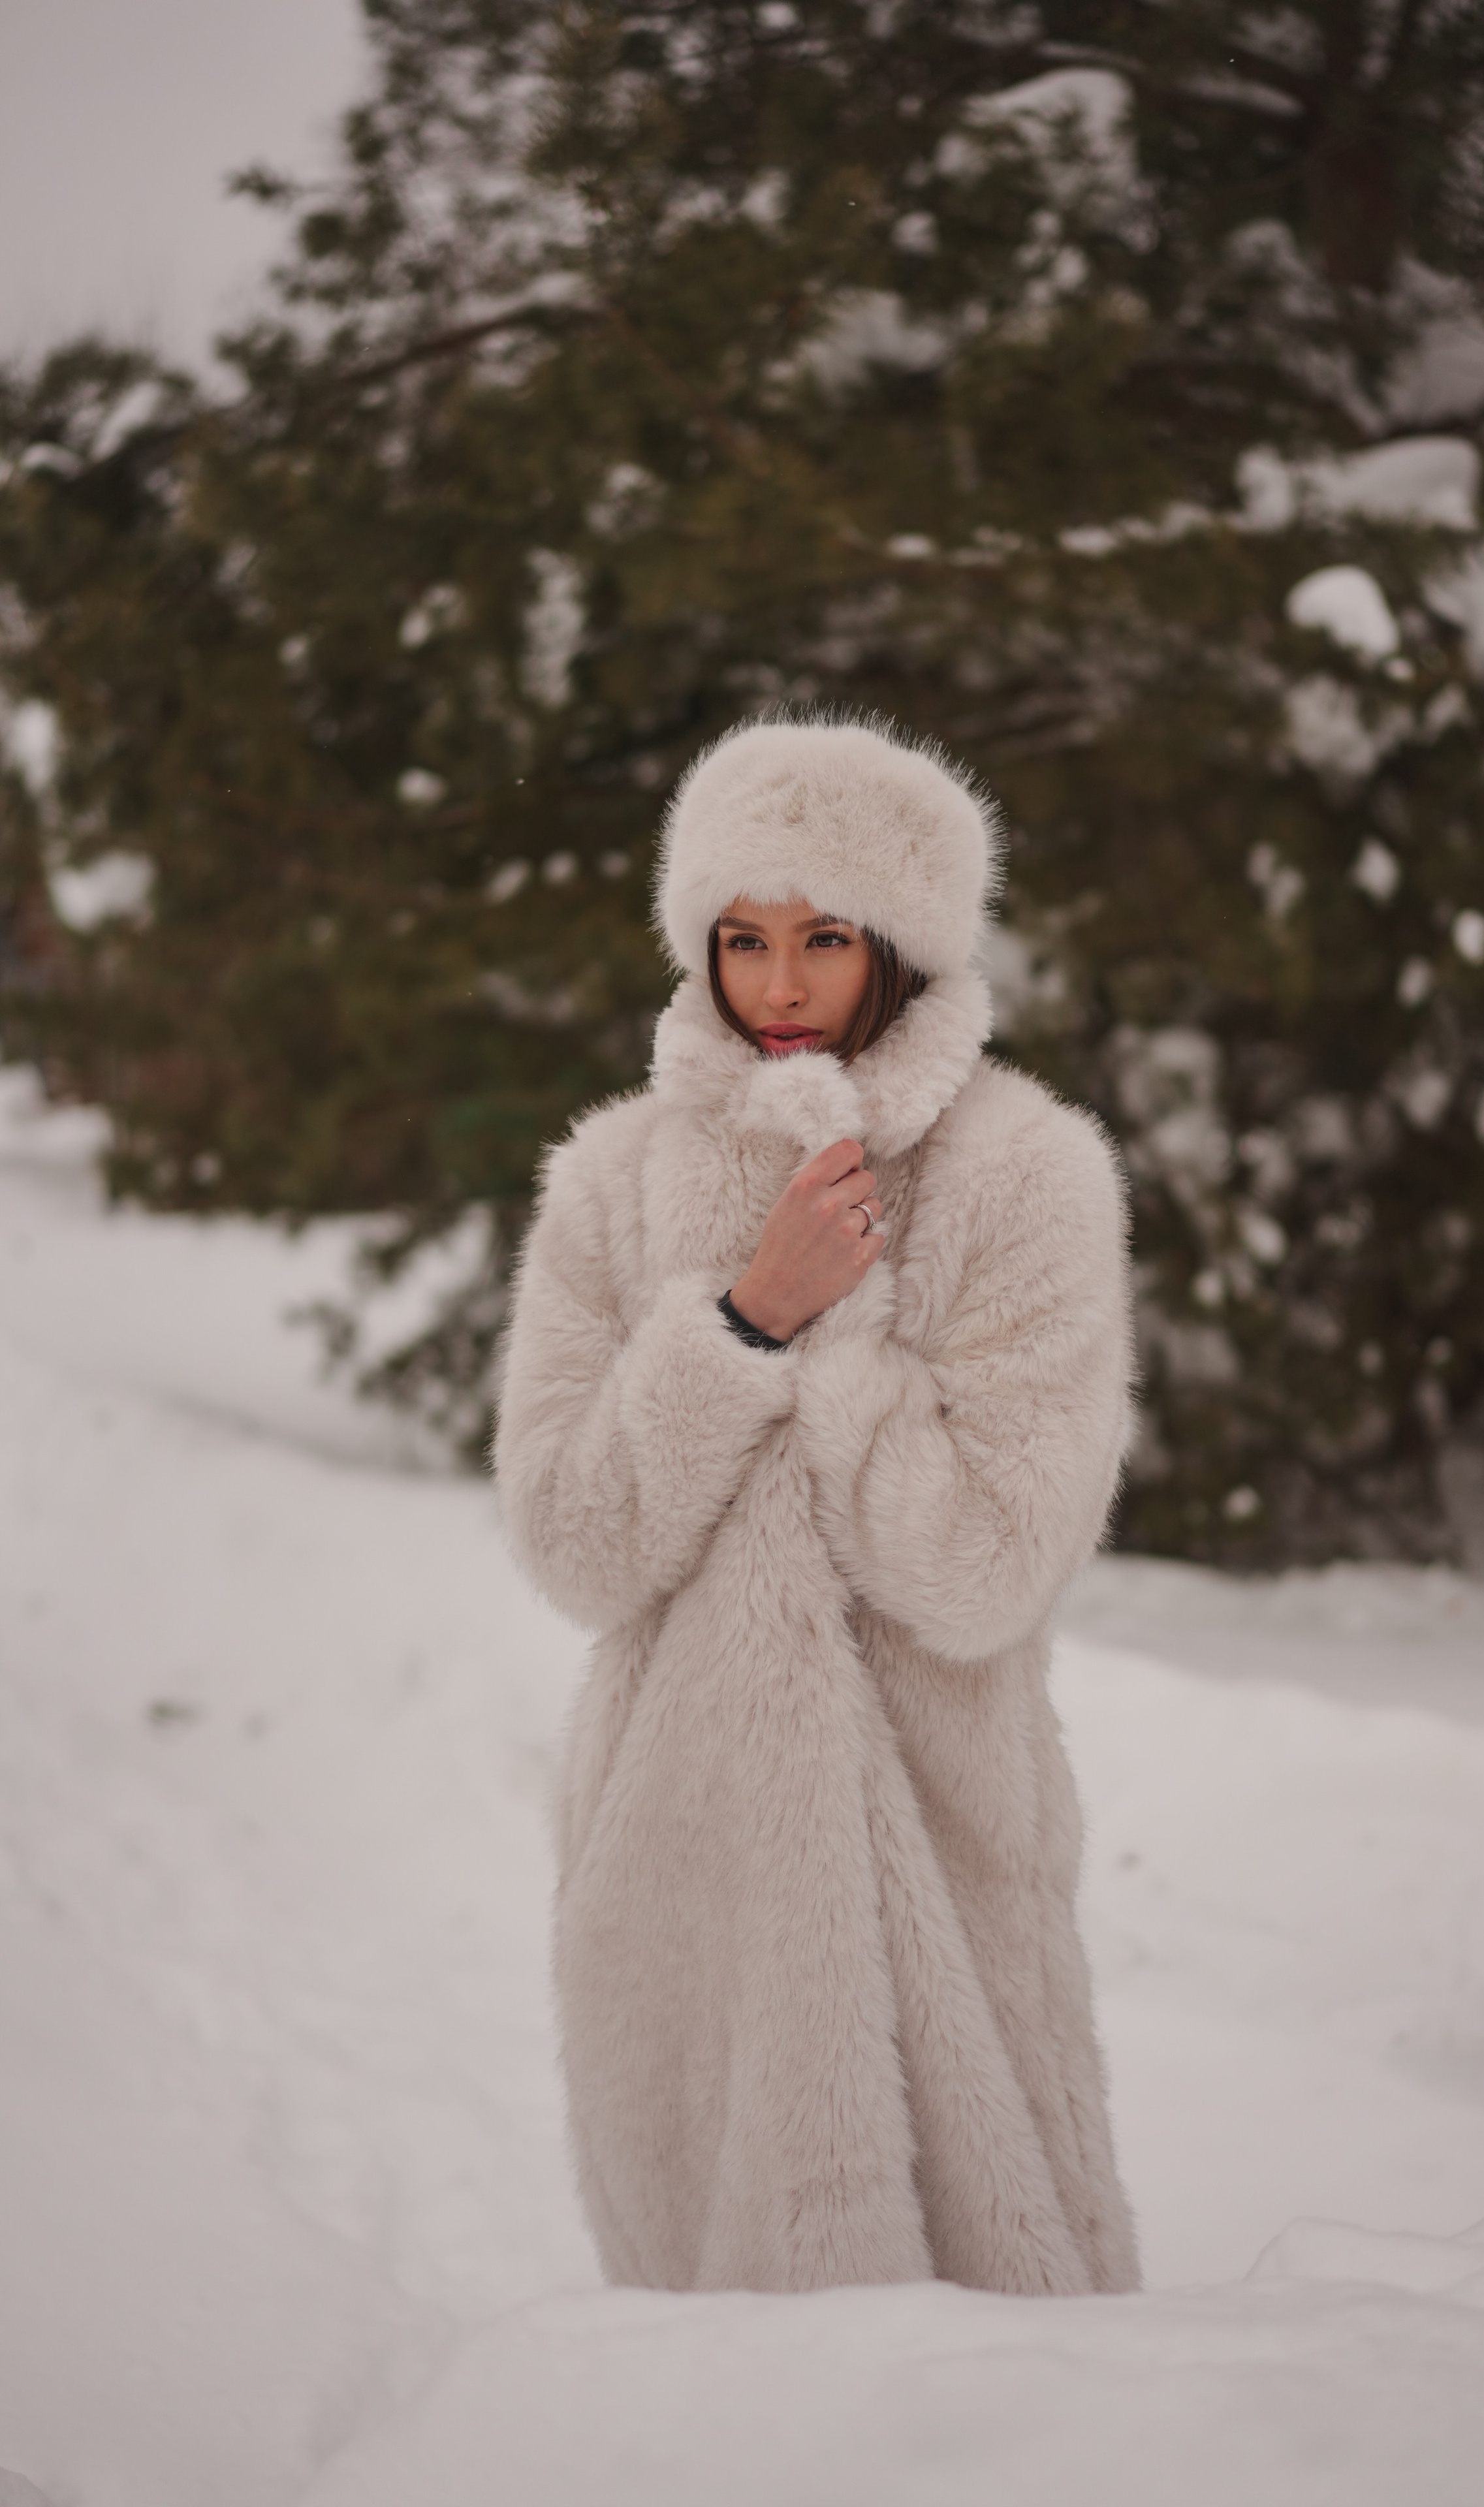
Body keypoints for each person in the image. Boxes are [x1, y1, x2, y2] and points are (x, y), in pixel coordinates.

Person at [495, 713, 1141, 2295]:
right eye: (743, 939)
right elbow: (573, 1543)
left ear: (900, 947)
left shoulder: (1024, 1176)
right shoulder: (610, 1180)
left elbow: (987, 1566)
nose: (778, 987)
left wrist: (834, 1330)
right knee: (711, 2374)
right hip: (679, 1876)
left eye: (824, 939)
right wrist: (736, 1326)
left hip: (941, 1867)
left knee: (999, 2364)